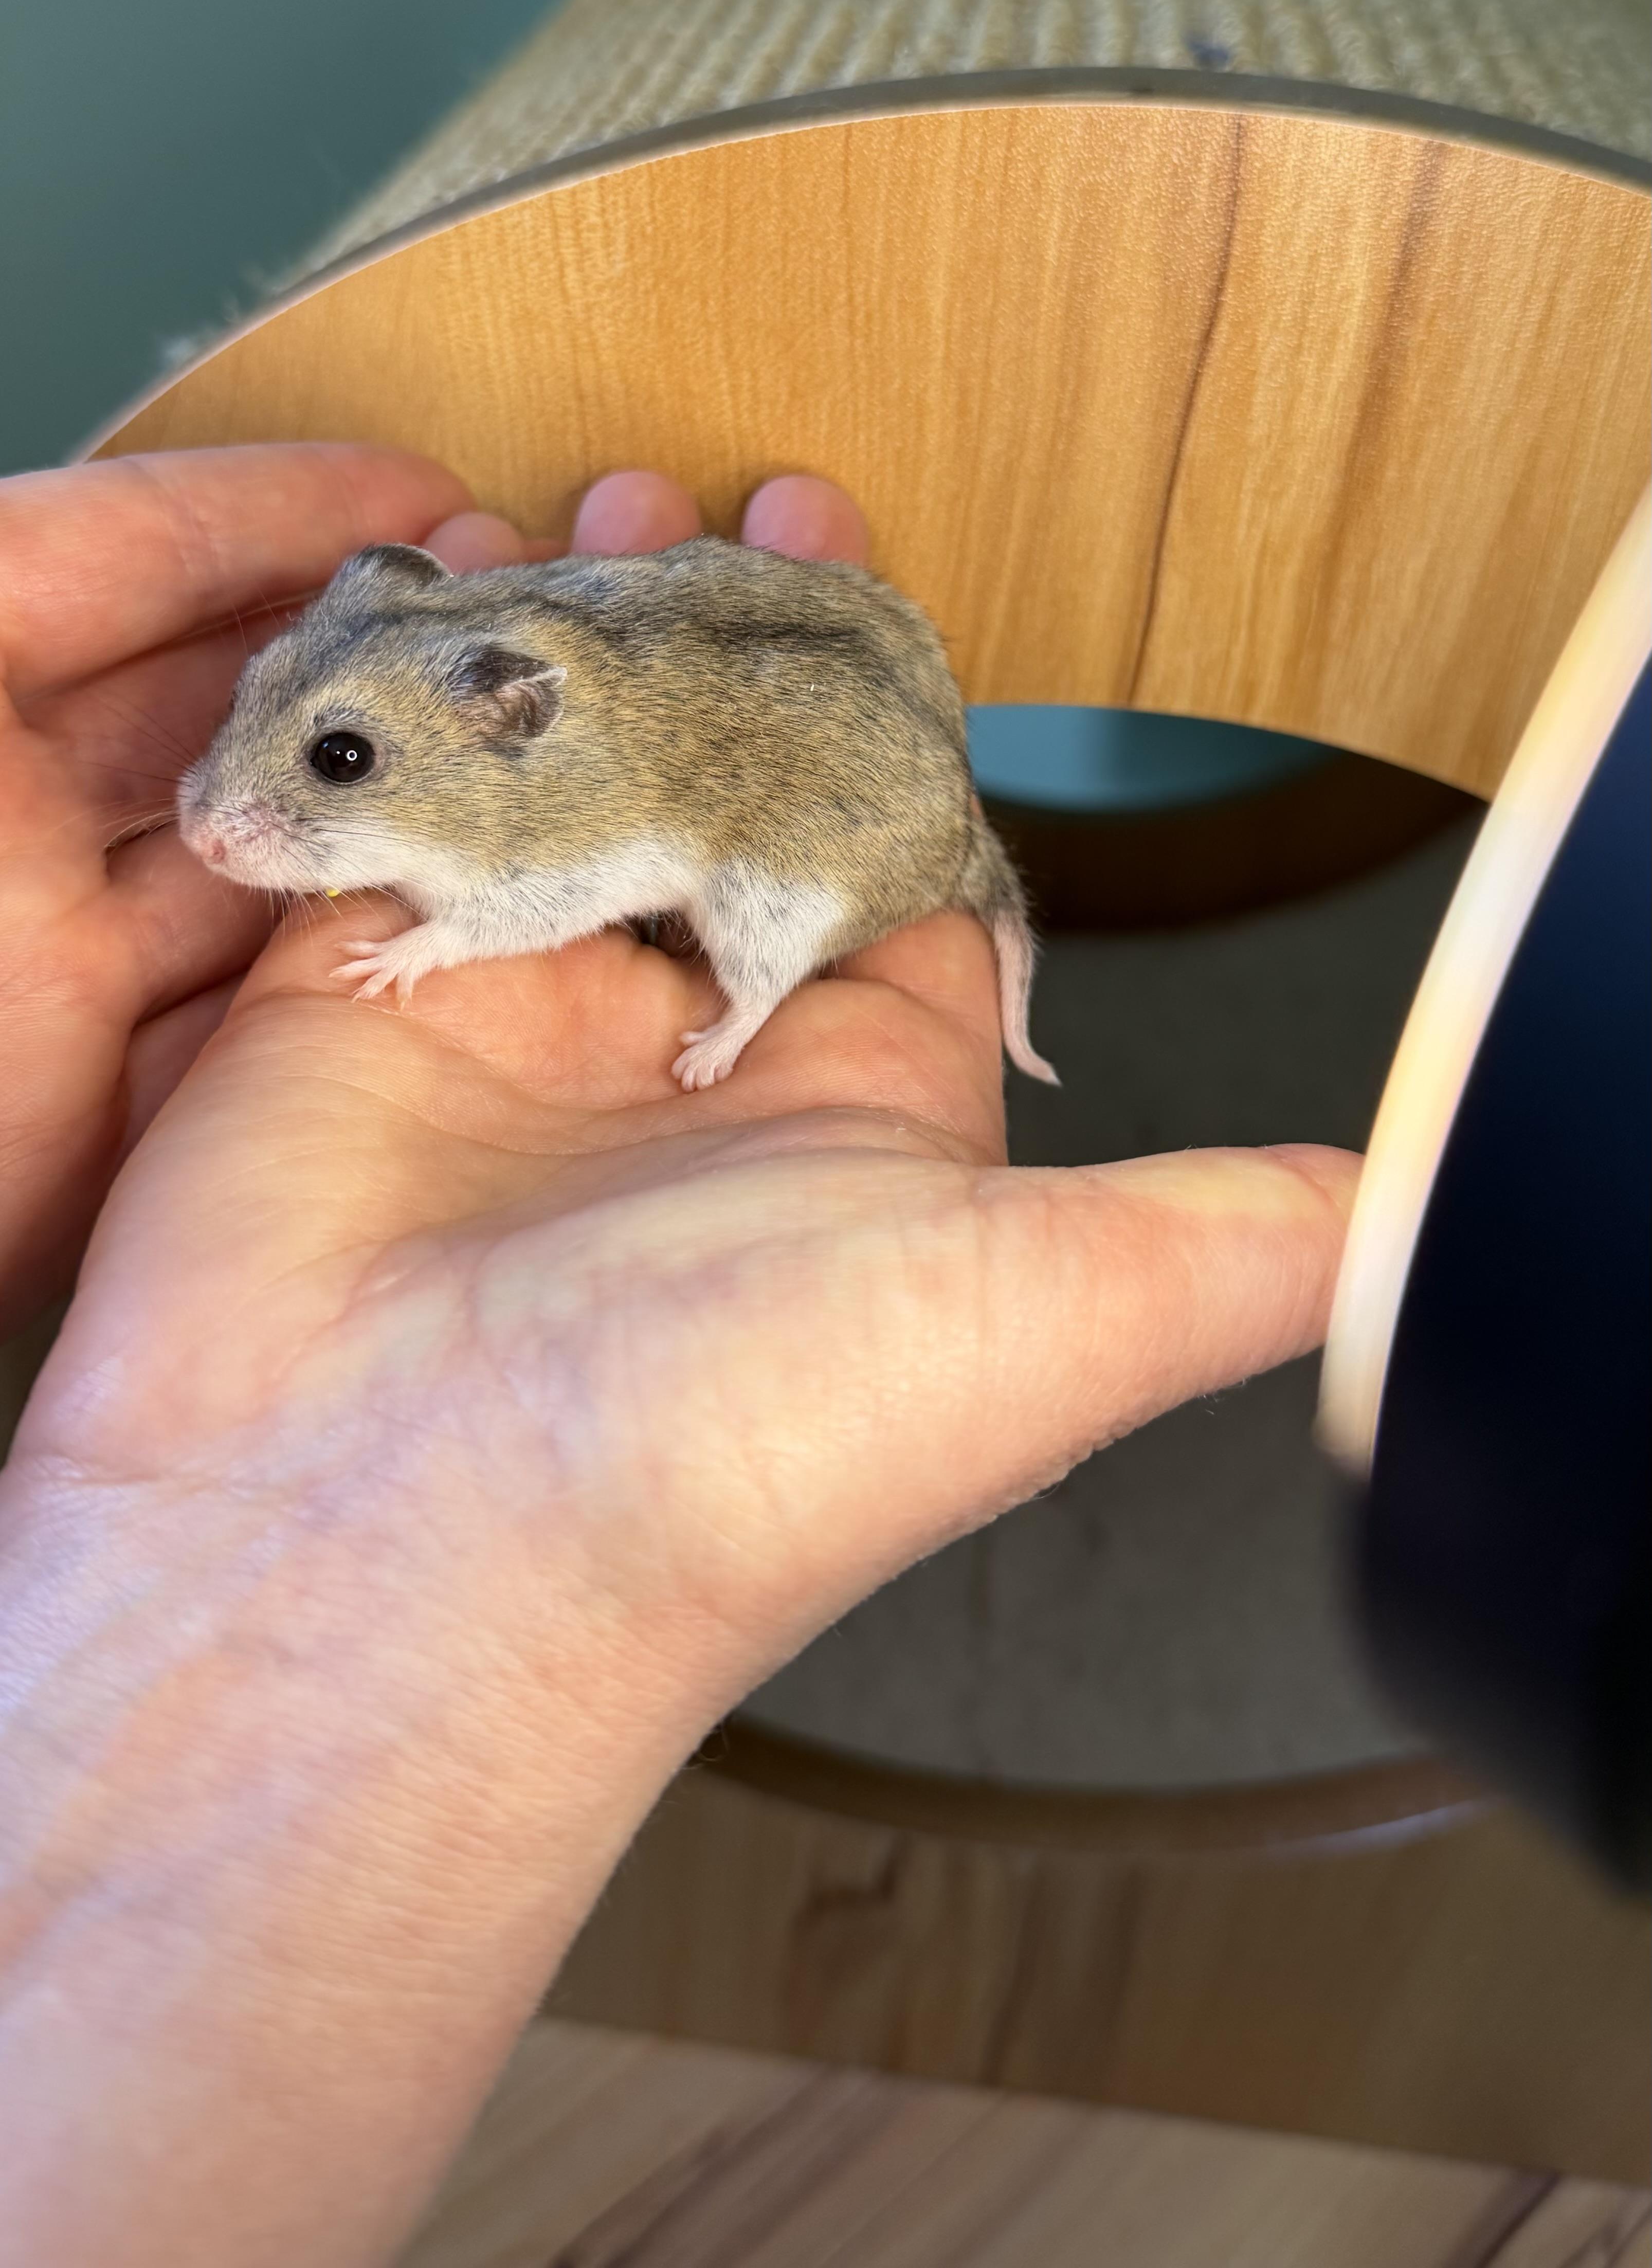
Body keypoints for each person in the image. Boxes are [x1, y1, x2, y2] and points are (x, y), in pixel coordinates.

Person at [0, 442, 1356, 2267]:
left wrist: (446, 937)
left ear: (514, 715)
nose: (220, 811)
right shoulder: (464, 679)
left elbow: (575, 879)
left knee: (760, 905)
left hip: (823, 822)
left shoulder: (571, 800)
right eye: (283, 728)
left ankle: (760, 998)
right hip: (773, 715)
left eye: (329, 764)